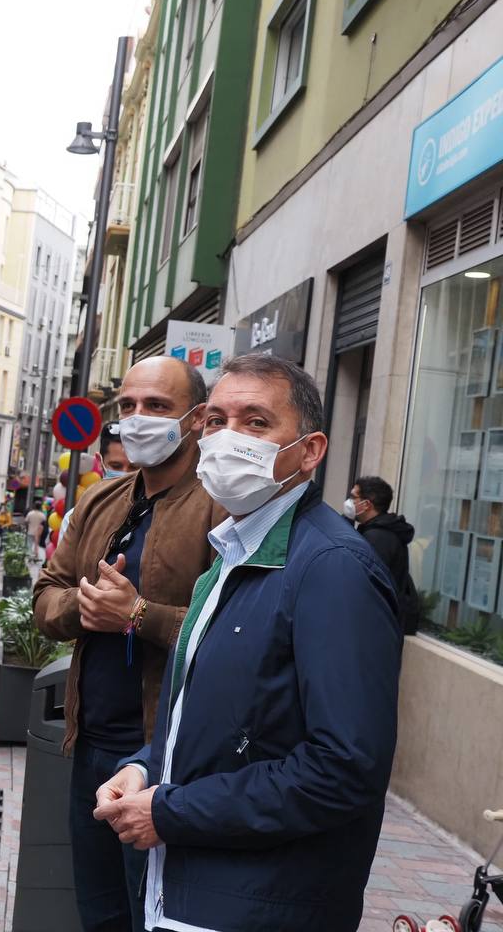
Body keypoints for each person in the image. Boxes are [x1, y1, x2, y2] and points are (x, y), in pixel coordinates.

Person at [92, 354, 401, 932]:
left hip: (260, 906)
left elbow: (343, 769)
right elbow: (218, 722)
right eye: (215, 421)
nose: (228, 438)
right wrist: (143, 768)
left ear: (309, 452)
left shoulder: (333, 568)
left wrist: (171, 811)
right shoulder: (235, 553)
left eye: (256, 423)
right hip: (191, 895)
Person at [32, 355, 221, 932]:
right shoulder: (99, 501)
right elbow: (47, 595)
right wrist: (84, 609)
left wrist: (138, 615)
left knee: (154, 914)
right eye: (128, 407)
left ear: (196, 419)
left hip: (165, 760)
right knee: (100, 911)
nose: (137, 420)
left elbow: (239, 631)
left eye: (157, 407)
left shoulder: (221, 507)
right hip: (90, 746)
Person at [347, 475, 419, 634]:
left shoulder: (378, 539)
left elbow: (366, 586)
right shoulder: (375, 532)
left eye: (353, 497)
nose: (349, 501)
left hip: (375, 628)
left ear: (367, 504)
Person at [56, 424, 134, 547]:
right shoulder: (77, 519)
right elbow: (62, 566)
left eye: (134, 467)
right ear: (99, 462)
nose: (125, 474)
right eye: (116, 466)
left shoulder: (156, 516)